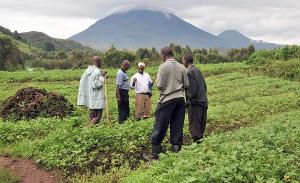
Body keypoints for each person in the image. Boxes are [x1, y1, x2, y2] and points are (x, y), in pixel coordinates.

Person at [151, 47, 189, 159]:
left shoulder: (163, 67)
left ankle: (155, 153)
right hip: (180, 99)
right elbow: (186, 85)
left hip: (167, 99)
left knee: (160, 125)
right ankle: (176, 150)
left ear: (163, 55)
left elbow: (159, 86)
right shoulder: (182, 67)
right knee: (177, 125)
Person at [182, 54, 208, 143]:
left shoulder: (188, 72)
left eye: (182, 60)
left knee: (194, 126)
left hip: (195, 104)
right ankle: (200, 143)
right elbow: (204, 86)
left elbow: (192, 90)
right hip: (203, 101)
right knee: (201, 125)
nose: (182, 62)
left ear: (185, 61)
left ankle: (197, 144)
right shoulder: (197, 70)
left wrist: (190, 102)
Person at [77, 56, 107, 126]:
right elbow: (95, 84)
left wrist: (101, 74)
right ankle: (88, 129)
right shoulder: (97, 72)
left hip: (91, 97)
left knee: (92, 115)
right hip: (96, 98)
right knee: (97, 116)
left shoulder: (89, 70)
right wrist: (102, 77)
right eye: (100, 61)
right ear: (99, 62)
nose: (101, 63)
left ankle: (89, 132)